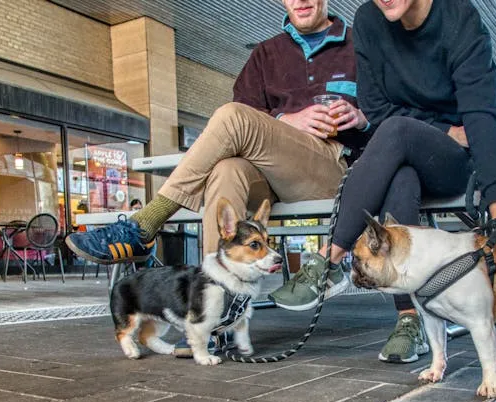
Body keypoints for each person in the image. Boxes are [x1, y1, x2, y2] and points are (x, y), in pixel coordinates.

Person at [270, 0, 496, 363]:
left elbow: (483, 114)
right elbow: (376, 109)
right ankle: (410, 322)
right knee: (400, 177)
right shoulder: (369, 20)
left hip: (455, 162)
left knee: (397, 132)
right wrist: (444, 129)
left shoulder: (459, 18)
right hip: (403, 152)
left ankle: (328, 260)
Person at [66, 0, 369, 267]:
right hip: (270, 178)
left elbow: (392, 113)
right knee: (227, 170)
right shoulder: (265, 54)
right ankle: (217, 304)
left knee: (231, 116)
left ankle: (145, 224)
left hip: (332, 170)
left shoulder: (360, 45)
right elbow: (245, 121)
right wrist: (285, 120)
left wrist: (361, 117)